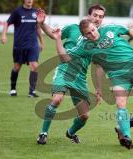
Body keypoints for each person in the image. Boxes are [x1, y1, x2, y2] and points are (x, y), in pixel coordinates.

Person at [52, 19, 133, 149]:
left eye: (93, 30)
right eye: (88, 33)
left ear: (97, 26)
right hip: (117, 76)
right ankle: (126, 136)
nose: (92, 34)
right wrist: (58, 39)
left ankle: (125, 131)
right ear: (83, 35)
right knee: (120, 105)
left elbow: (128, 31)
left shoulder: (108, 30)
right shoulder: (84, 46)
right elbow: (68, 59)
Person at [36, 4, 106, 145]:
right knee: (56, 100)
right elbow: (54, 34)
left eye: (101, 16)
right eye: (95, 15)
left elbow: (98, 66)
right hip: (64, 70)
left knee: (85, 115)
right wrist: (42, 24)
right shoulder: (73, 28)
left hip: (80, 78)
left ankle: (70, 133)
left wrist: (99, 89)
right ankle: (43, 133)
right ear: (89, 16)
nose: (97, 19)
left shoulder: (101, 40)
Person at [1, 0, 44, 97]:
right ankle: (13, 89)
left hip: (33, 44)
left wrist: (41, 42)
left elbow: (38, 27)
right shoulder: (17, 12)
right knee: (17, 67)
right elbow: (7, 23)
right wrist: (4, 35)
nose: (29, 0)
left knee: (34, 66)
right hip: (19, 45)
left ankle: (32, 91)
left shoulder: (36, 12)